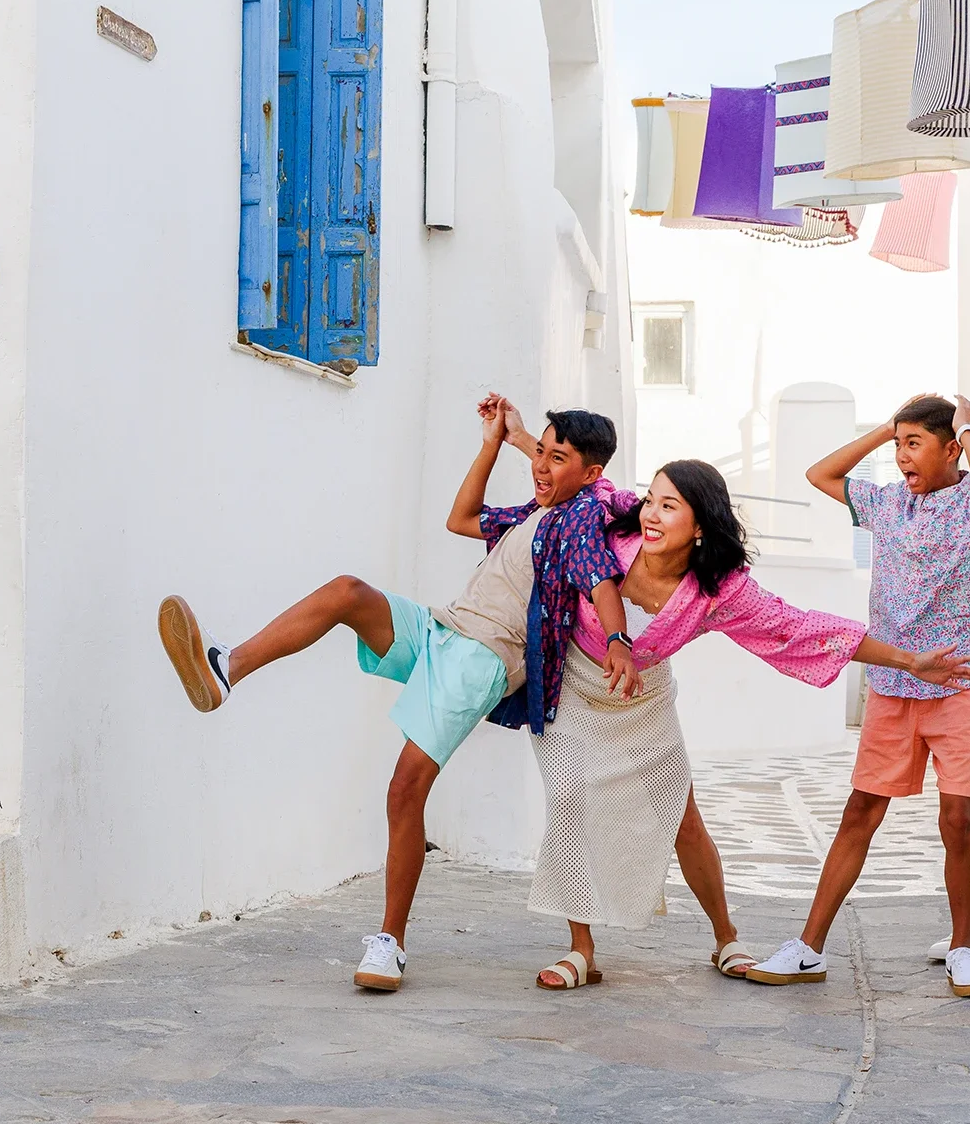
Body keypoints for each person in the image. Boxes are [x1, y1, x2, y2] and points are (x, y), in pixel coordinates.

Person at [157, 402, 636, 993]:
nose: (541, 465)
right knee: (346, 592)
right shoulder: (538, 510)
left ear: (589, 473)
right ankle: (225, 670)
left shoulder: (585, 514)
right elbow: (461, 519)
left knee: (405, 788)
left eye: (557, 458)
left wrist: (618, 640)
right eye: (540, 451)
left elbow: (601, 579)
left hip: (482, 658)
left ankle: (390, 944)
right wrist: (496, 442)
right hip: (442, 629)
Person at [486, 431, 970, 993]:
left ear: (699, 526)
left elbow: (797, 627)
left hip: (643, 693)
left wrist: (908, 659)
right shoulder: (608, 523)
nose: (651, 513)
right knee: (572, 803)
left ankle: (725, 935)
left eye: (668, 506)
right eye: (651, 499)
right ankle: (582, 949)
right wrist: (519, 434)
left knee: (680, 816)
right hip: (575, 677)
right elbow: (571, 470)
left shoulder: (719, 590)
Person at [747, 393, 970, 998]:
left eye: (913, 445)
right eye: (897, 445)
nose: (900, 457)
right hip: (892, 684)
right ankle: (808, 948)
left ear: (952, 449)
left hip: (961, 682)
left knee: (958, 818)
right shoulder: (887, 502)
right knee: (860, 811)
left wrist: (966, 427)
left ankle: (964, 949)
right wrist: (887, 428)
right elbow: (821, 475)